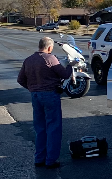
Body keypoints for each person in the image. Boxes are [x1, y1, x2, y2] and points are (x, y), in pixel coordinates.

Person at [17, 36, 72, 169]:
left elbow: (20, 79)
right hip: (50, 94)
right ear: (49, 47)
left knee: (40, 128)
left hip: (35, 95)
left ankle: (39, 158)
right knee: (53, 127)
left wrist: (32, 88)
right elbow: (64, 75)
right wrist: (71, 65)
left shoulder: (28, 60)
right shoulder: (50, 58)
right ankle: (51, 160)